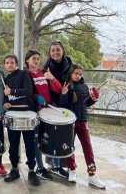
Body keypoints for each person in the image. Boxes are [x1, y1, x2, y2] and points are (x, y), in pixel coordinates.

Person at [58, 64, 106, 189]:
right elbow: (62, 106)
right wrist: (63, 94)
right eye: (76, 73)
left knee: (88, 148)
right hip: (70, 122)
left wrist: (95, 97)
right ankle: (72, 170)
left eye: (80, 74)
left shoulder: (85, 87)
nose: (78, 76)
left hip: (83, 121)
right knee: (69, 147)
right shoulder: (67, 86)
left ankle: (92, 175)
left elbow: (87, 104)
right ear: (71, 73)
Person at [2, 54, 40, 186]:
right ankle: (14, 169)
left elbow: (28, 91)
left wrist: (12, 91)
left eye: (12, 62)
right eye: (7, 63)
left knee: (30, 144)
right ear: (4, 65)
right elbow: (7, 98)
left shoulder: (24, 74)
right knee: (13, 144)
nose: (10, 65)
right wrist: (6, 103)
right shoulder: (5, 79)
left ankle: (31, 171)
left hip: (27, 113)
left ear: (16, 64)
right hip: (13, 114)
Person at [24, 50, 62, 180]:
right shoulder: (25, 75)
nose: (36, 61)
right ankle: (40, 168)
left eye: (38, 58)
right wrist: (36, 97)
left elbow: (58, 89)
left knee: (52, 138)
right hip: (35, 111)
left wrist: (52, 79)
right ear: (27, 60)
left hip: (49, 111)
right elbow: (27, 92)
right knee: (37, 140)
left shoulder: (44, 72)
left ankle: (56, 166)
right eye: (33, 58)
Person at [43, 40, 72, 178]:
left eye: (58, 50)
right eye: (53, 50)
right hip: (52, 103)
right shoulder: (46, 66)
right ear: (50, 52)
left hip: (66, 101)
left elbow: (74, 80)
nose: (55, 52)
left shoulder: (69, 64)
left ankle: (61, 165)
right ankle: (55, 165)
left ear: (63, 50)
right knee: (52, 135)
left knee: (64, 136)